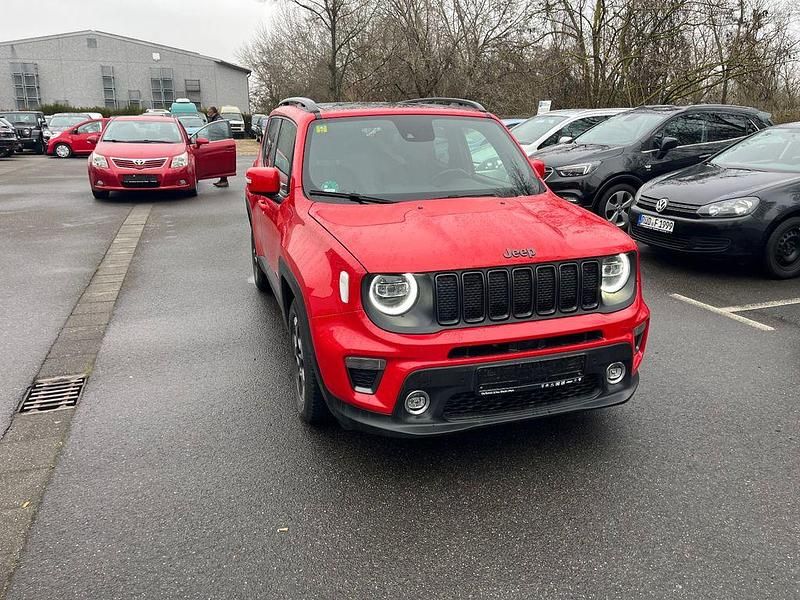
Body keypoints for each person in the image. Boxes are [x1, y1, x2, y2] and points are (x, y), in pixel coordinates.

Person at [206, 106, 229, 188]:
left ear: (214, 112)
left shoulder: (218, 119)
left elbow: (224, 130)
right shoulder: (214, 119)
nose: (208, 114)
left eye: (209, 112)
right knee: (219, 163)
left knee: (222, 163)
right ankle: (222, 179)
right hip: (217, 142)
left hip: (220, 142)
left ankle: (224, 180)